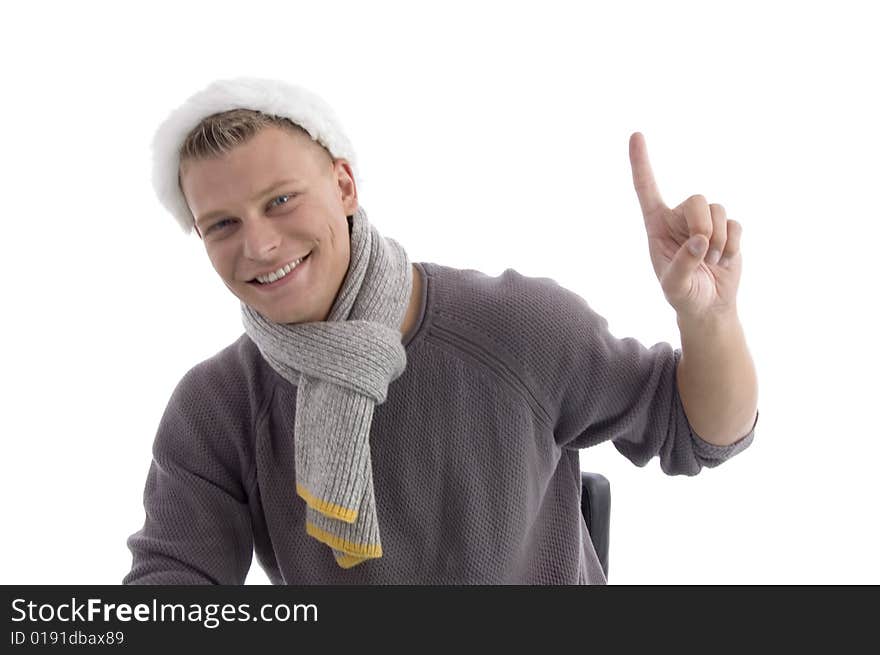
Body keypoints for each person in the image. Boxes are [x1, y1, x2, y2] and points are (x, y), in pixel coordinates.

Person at [123, 76, 759, 585]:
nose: (259, 244)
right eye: (222, 225)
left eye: (281, 200)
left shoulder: (514, 327)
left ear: (343, 185)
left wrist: (711, 320)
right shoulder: (217, 407)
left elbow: (698, 432)